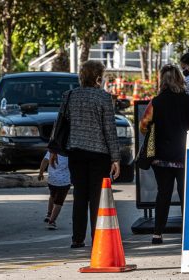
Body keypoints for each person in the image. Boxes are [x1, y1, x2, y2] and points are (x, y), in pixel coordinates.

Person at [49, 60, 121, 248]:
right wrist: (115, 158)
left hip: (76, 152)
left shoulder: (70, 95)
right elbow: (109, 130)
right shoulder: (104, 97)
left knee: (80, 195)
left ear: (82, 76)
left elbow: (59, 125)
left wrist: (53, 151)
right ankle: (98, 238)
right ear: (98, 77)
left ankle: (77, 238)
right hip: (100, 154)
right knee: (97, 197)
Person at [140, 64, 189, 244]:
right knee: (185, 194)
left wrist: (153, 131)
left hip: (161, 157)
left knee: (163, 194)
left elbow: (144, 125)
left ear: (162, 80)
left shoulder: (156, 102)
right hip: (184, 155)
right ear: (180, 80)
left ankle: (157, 233)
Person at [38, 151, 71, 230]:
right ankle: (51, 222)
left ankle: (49, 214)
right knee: (58, 203)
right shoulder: (69, 152)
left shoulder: (52, 151)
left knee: (52, 196)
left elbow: (44, 161)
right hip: (64, 182)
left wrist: (41, 173)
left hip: (52, 180)